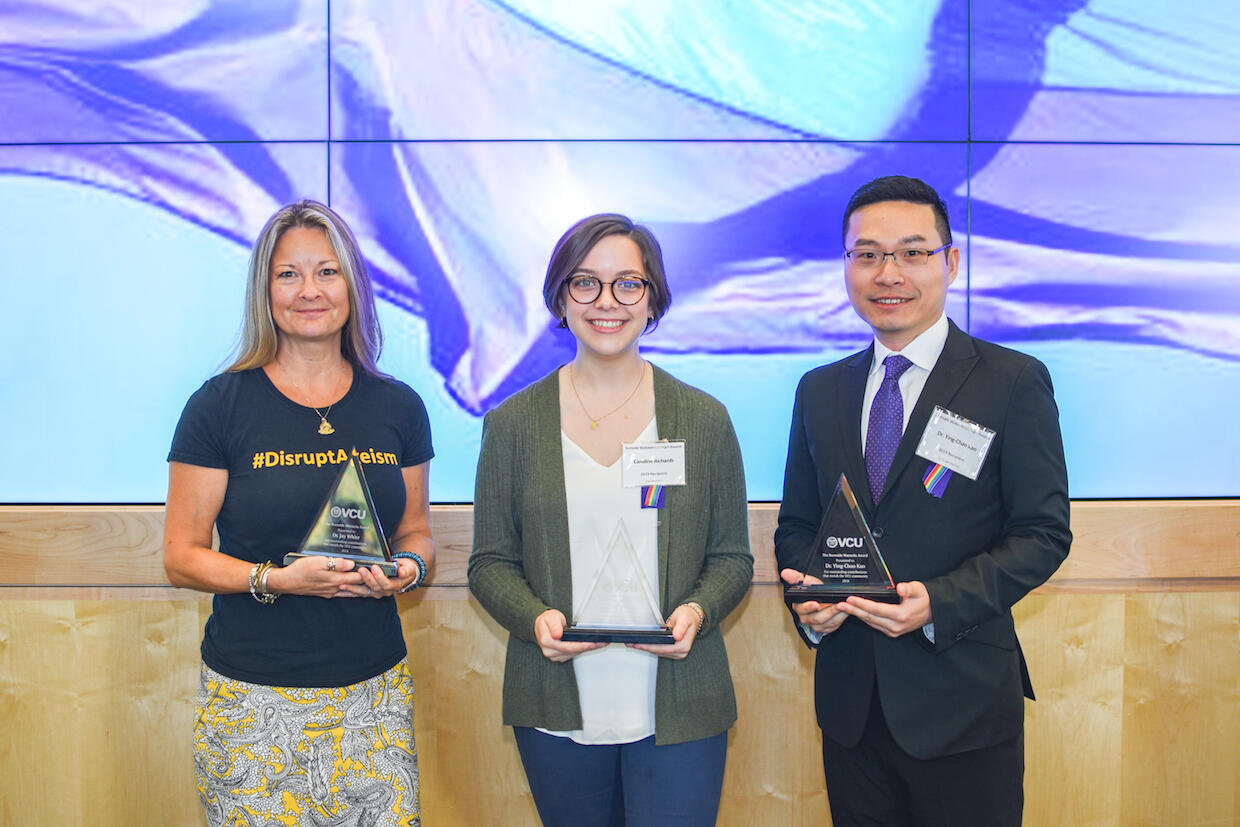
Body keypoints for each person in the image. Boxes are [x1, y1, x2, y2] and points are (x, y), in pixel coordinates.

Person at [774, 176, 1071, 827]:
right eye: (868, 253)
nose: (889, 273)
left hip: (961, 705)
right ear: (846, 265)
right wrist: (809, 598)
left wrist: (940, 601)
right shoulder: (819, 390)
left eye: (912, 252)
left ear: (951, 262)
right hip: (852, 710)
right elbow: (798, 525)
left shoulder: (1012, 381)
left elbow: (1042, 533)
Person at [468, 213, 753, 826]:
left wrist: (699, 610)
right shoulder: (512, 425)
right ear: (560, 298)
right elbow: (491, 562)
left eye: (629, 283)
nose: (607, 302)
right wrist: (533, 617)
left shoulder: (704, 420)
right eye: (585, 283)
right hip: (556, 703)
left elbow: (732, 557)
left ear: (653, 300)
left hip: (680, 705)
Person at [163, 199, 435, 827]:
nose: (309, 291)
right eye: (288, 274)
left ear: (353, 287)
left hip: (374, 697)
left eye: (327, 272)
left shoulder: (398, 406)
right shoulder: (218, 406)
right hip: (251, 702)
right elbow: (181, 556)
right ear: (266, 290)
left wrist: (409, 569)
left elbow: (416, 531)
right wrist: (276, 580)